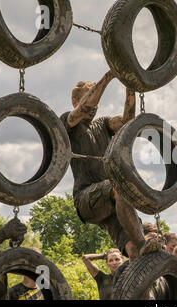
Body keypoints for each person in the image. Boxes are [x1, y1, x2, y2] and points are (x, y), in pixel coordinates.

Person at [60, 71, 159, 261]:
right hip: (86, 197)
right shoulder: (68, 121)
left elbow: (127, 122)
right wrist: (111, 74)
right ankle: (142, 243)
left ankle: (140, 277)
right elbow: (83, 108)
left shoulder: (103, 124)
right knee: (120, 188)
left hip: (112, 202)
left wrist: (129, 86)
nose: (94, 106)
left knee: (131, 246)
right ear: (75, 102)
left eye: (97, 102)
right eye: (91, 98)